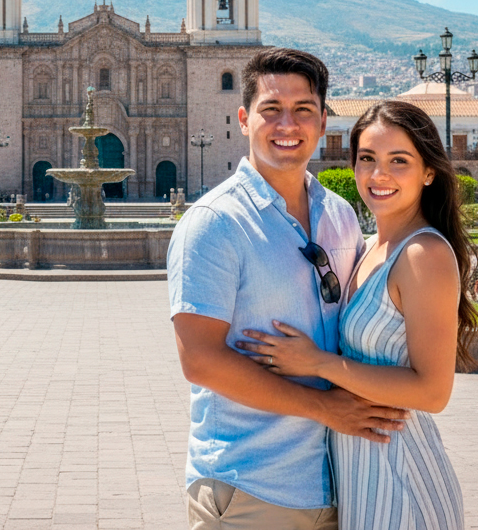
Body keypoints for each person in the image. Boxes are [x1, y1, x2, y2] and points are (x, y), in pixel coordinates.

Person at [168, 48, 409, 530]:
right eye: (271, 110)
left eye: (303, 110)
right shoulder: (213, 224)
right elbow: (200, 360)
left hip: (342, 482)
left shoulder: (340, 215)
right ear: (243, 119)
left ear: (322, 120)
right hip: (250, 489)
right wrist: (325, 407)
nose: (287, 125)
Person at [236, 100, 478, 530]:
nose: (378, 175)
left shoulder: (425, 254)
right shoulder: (368, 249)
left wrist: (316, 363)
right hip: (360, 477)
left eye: (398, 161)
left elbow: (433, 392)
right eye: (367, 159)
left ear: (428, 172)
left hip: (402, 479)